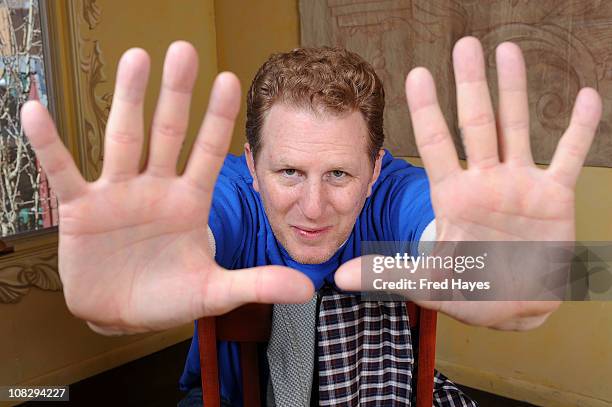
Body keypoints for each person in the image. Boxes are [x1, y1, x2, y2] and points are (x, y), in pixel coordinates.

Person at [20, 36, 601, 406]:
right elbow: (207, 220)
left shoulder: (397, 191)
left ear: (375, 169)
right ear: (251, 164)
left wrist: (521, 274)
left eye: (341, 176)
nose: (314, 208)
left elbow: (441, 231)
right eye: (289, 173)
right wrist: (119, 293)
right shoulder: (224, 191)